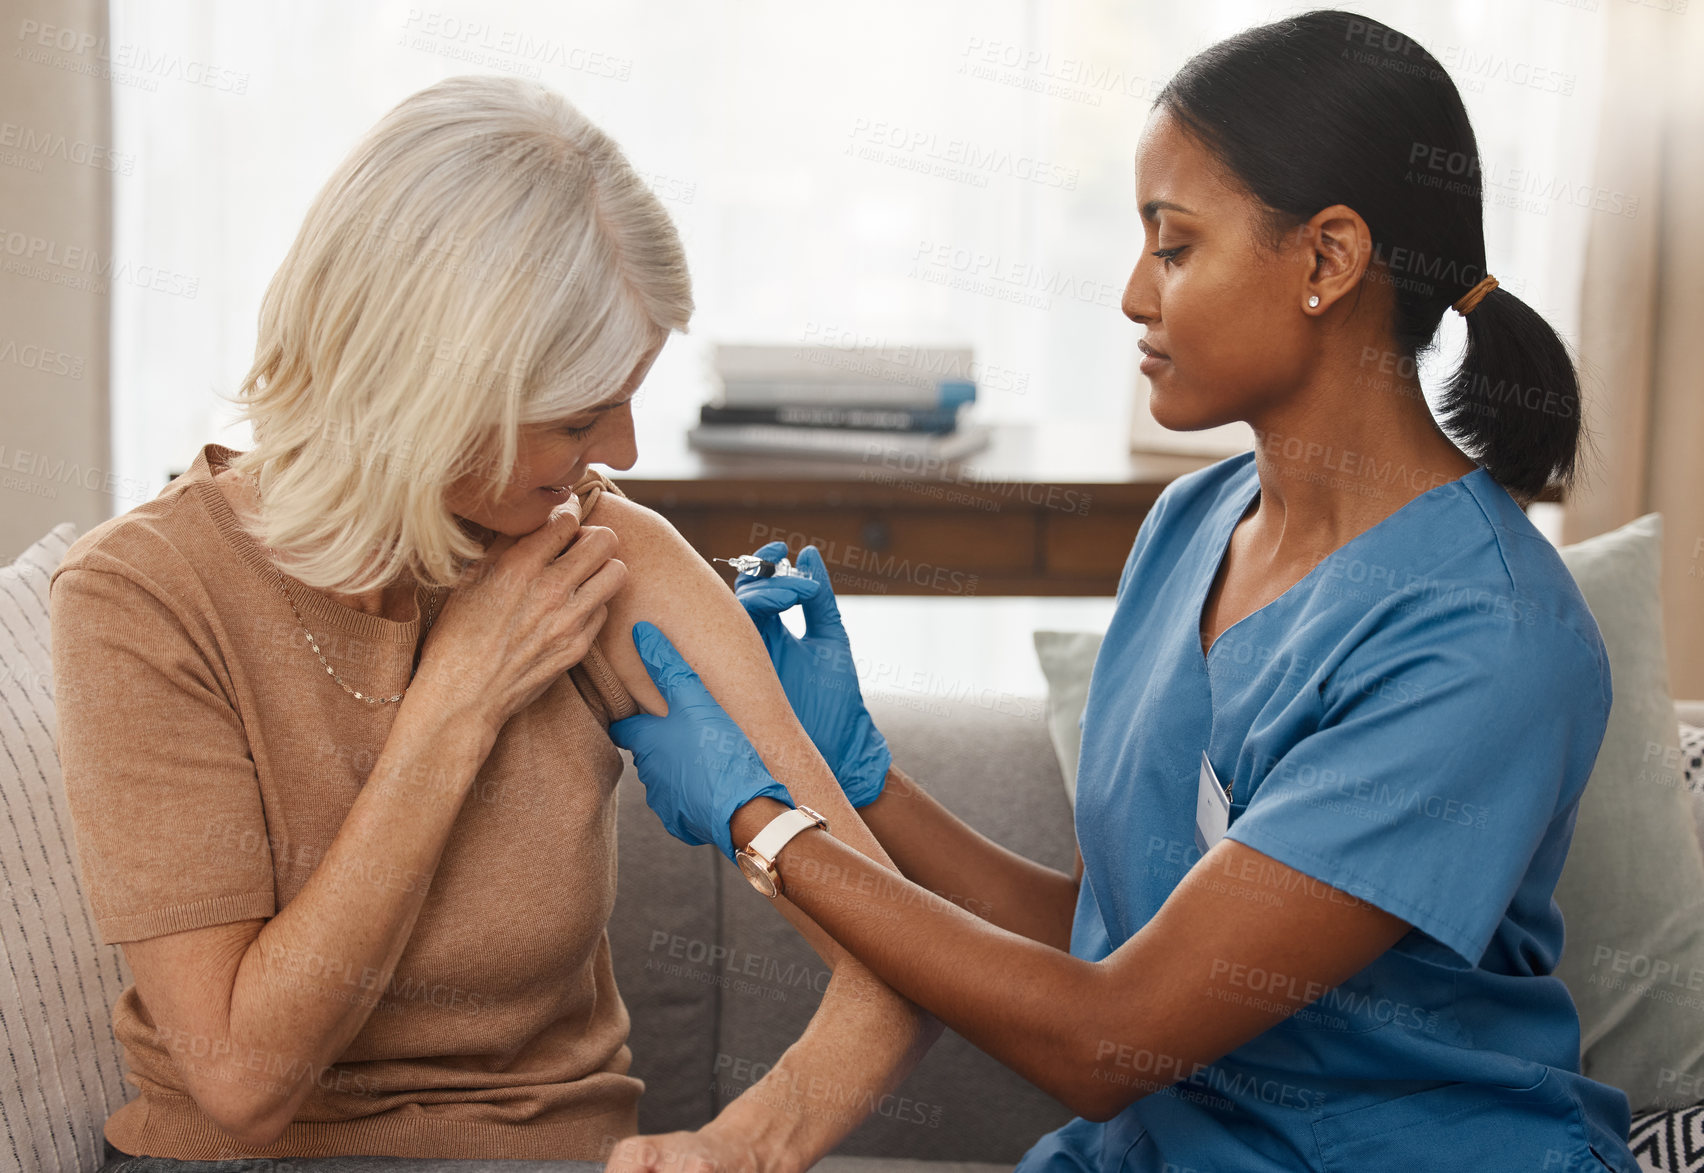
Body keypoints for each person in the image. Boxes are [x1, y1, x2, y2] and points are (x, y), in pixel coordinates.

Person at [609, 12, 1641, 1171]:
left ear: (1327, 259)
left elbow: (1110, 1040)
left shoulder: (1484, 638)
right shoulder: (1191, 528)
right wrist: (869, 785)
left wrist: (764, 821)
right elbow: (1118, 953)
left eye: (1175, 246)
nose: (1132, 297)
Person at [51, 74, 942, 1173]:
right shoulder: (142, 599)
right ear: (429, 388)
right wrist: (456, 706)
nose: (621, 449)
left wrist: (742, 1149)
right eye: (578, 414)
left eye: (628, 396)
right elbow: (238, 1084)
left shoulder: (600, 555)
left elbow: (903, 960)